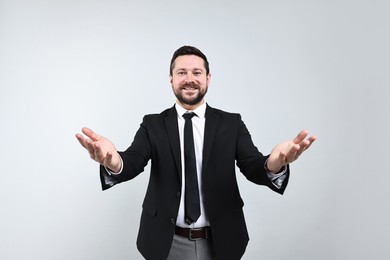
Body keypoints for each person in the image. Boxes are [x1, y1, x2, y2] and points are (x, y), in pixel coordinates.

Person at [76, 45, 316, 260]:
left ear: (208, 78)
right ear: (170, 79)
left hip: (222, 241)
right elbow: (132, 161)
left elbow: (252, 165)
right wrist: (113, 161)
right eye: (181, 73)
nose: (189, 79)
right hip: (166, 242)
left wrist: (275, 163)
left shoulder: (231, 124)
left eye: (196, 73)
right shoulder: (153, 124)